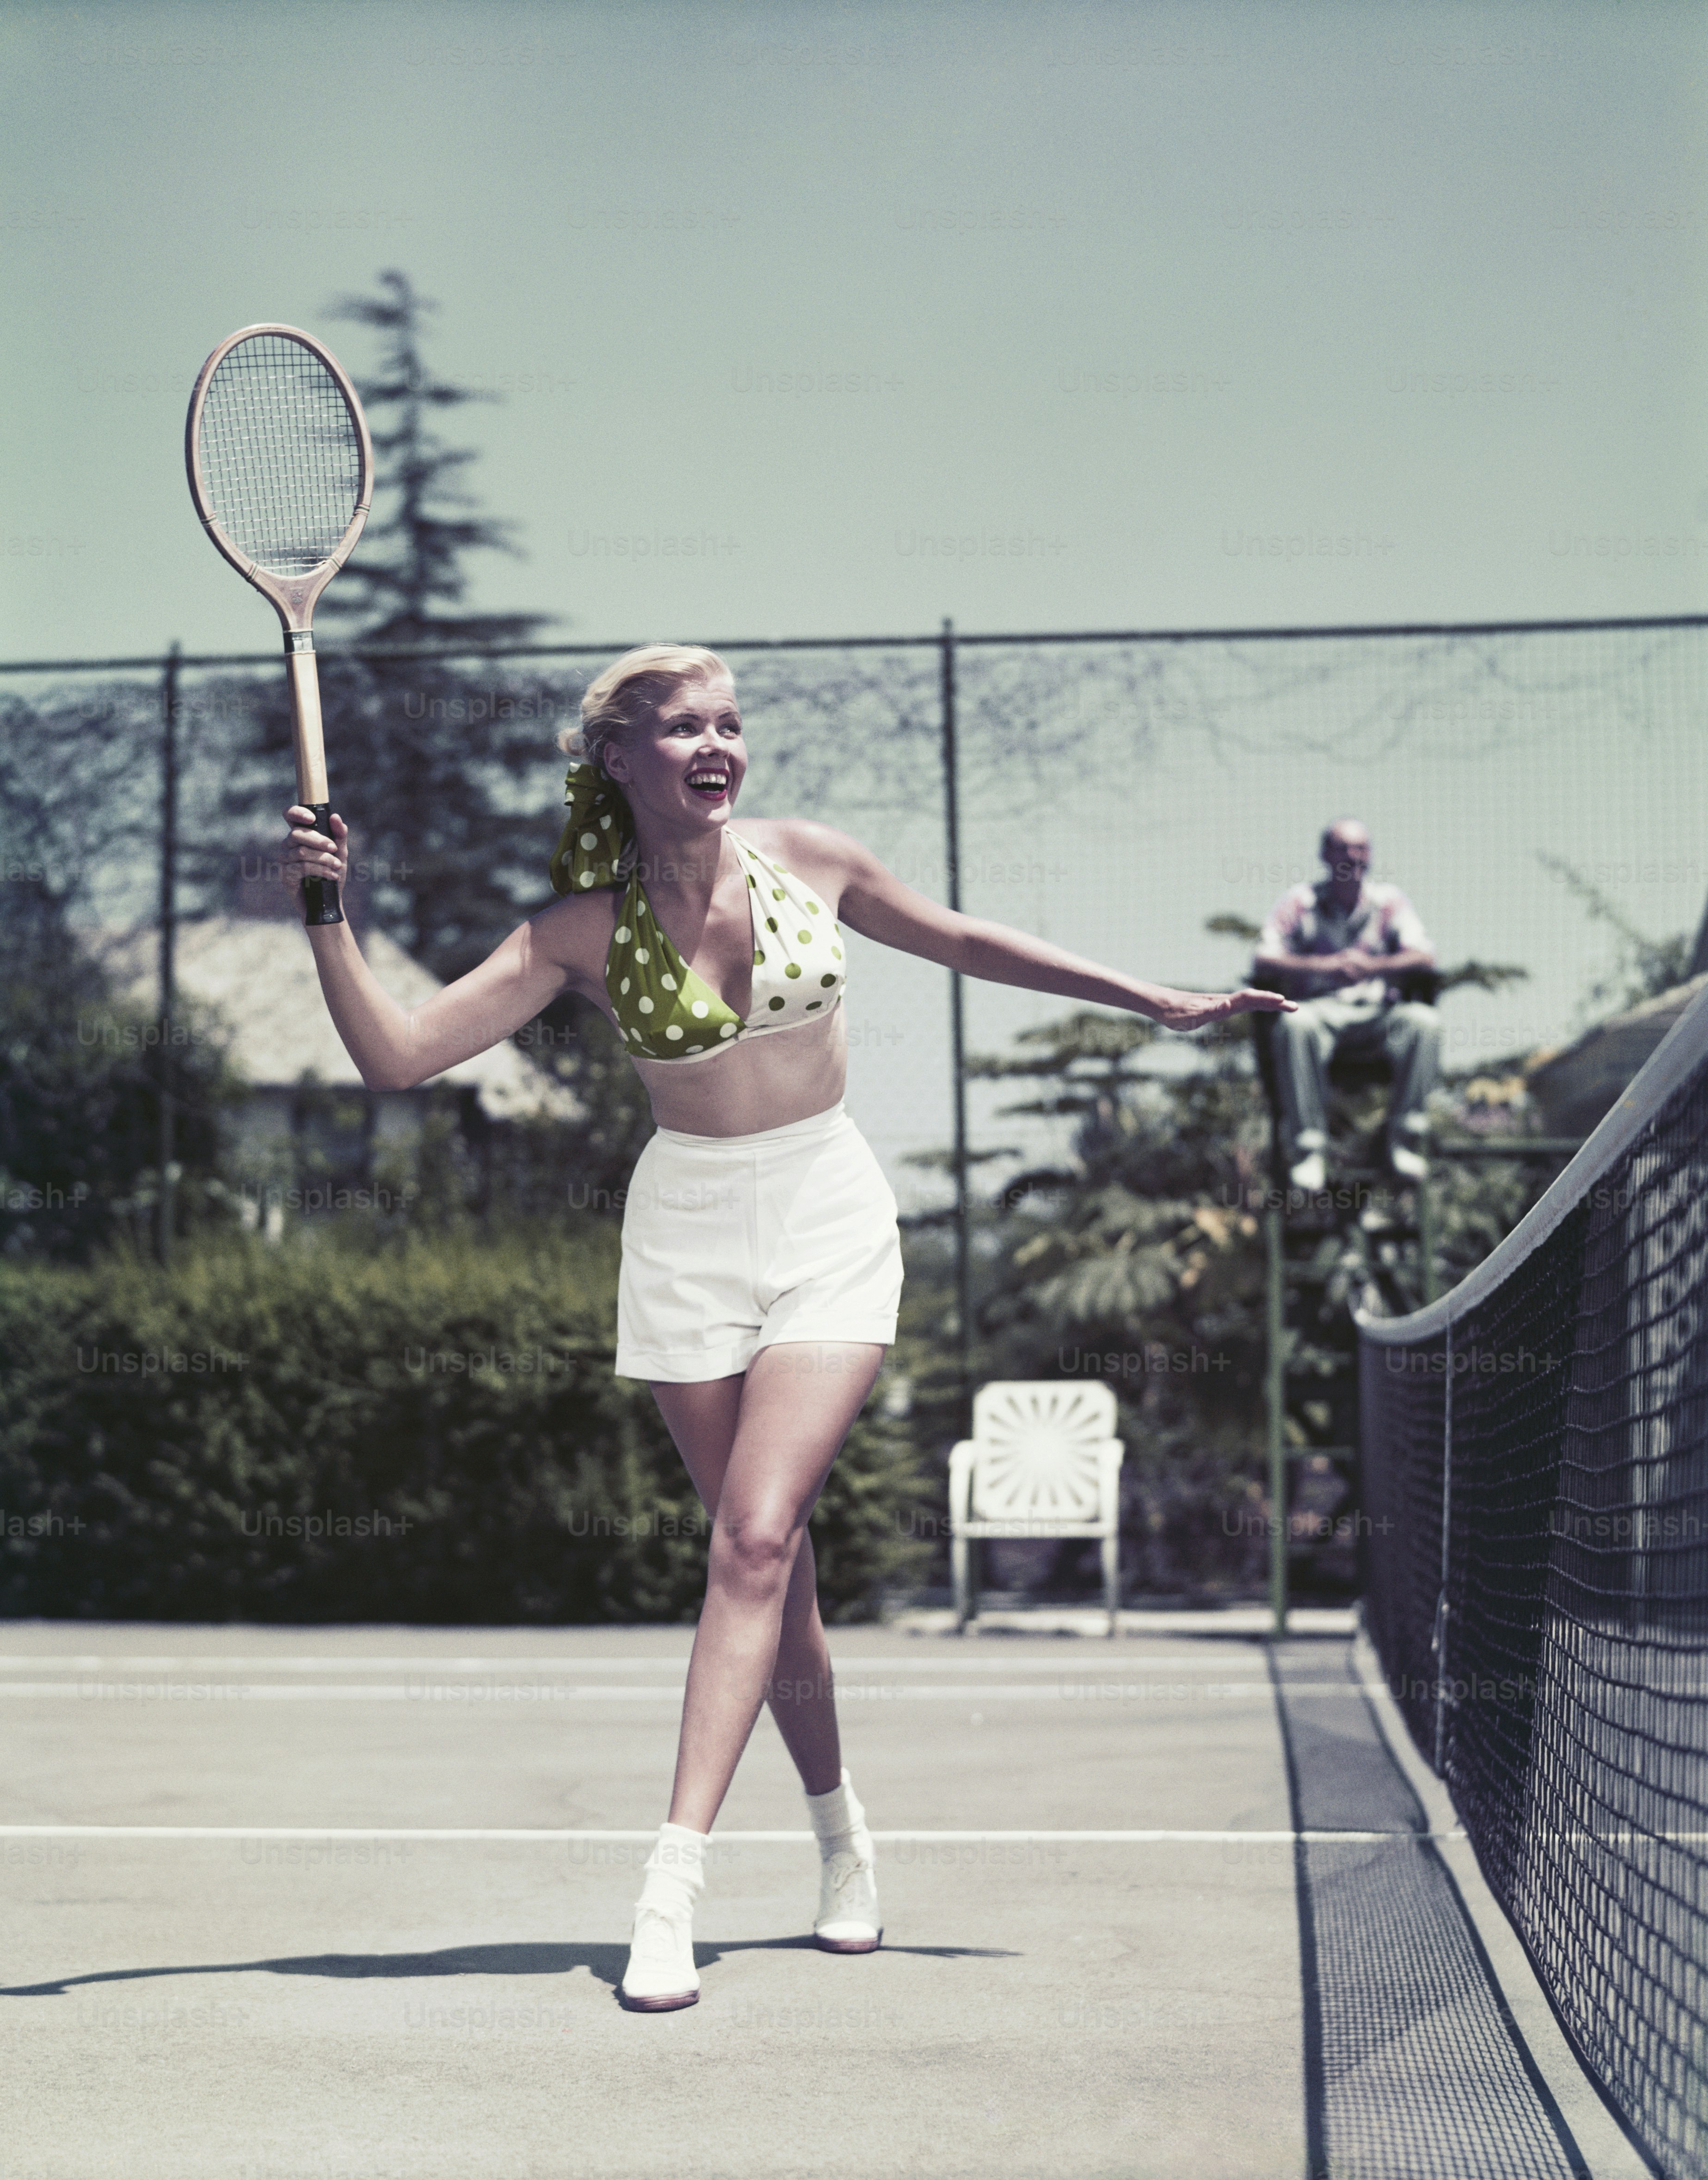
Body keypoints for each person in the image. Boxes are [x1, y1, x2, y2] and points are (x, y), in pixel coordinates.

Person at [278, 642, 1294, 2013]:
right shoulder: (576, 933)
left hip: (826, 1214)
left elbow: (960, 939)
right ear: (618, 760)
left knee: (752, 1539)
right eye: (683, 728)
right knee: (773, 1571)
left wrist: (1151, 997)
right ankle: (842, 1840)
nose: (717, 746)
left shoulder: (809, 860)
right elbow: (395, 1058)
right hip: (686, 1240)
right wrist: (327, 913)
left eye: (729, 723)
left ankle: (667, 1889)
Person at [1252, 818, 1440, 1192]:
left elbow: (1424, 956)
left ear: (1370, 855)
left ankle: (1404, 1142)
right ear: (1325, 855)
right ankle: (1309, 1151)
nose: (1352, 856)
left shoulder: (1389, 901)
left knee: (1424, 1022)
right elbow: (1263, 957)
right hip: (1320, 1012)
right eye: (1343, 848)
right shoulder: (1300, 901)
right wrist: (1326, 966)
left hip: (1378, 1016)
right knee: (1295, 1024)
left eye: (1361, 848)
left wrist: (1373, 966)